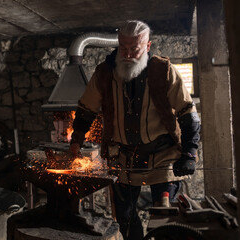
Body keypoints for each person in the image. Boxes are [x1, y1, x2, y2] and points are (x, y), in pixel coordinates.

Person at [69, 20, 200, 240]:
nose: (128, 54)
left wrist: (189, 153)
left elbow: (188, 113)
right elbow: (86, 110)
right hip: (124, 158)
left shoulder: (164, 71)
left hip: (163, 157)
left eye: (135, 49)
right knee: (125, 219)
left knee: (164, 215)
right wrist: (76, 140)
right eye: (124, 49)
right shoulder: (104, 73)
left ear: (148, 46)